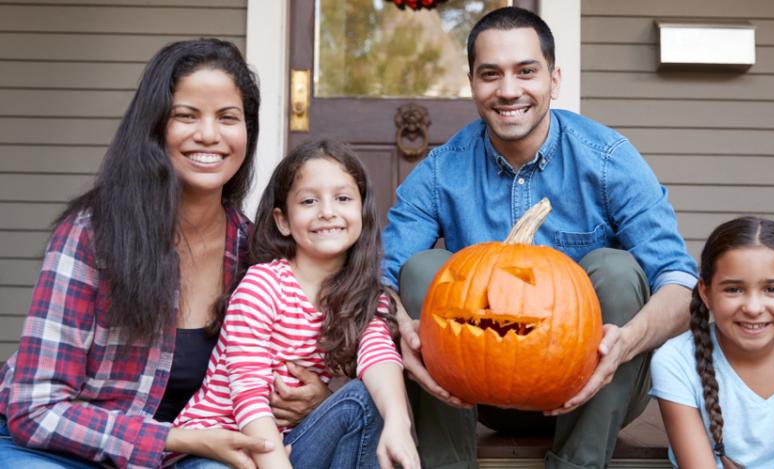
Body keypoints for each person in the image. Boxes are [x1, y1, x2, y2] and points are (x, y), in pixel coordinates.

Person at [381, 6, 699, 468]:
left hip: (595, 387)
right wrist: (399, 327)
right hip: (475, 389)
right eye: (491, 74)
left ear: (554, 78)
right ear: (472, 83)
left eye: (525, 71)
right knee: (421, 270)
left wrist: (624, 344)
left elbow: (680, 286)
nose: (509, 91)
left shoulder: (609, 159)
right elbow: (380, 285)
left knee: (616, 268)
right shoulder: (440, 170)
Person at [0, 39, 326, 469]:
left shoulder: (257, 251)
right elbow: (35, 407)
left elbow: (279, 363)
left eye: (227, 118)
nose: (209, 134)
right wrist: (180, 438)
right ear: (154, 128)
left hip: (188, 456)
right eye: (185, 116)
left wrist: (314, 397)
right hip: (54, 451)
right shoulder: (91, 235)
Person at [174, 140, 419, 469]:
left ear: (362, 211)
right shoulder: (263, 285)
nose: (327, 211)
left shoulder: (365, 294)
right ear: (283, 220)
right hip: (220, 446)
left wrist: (397, 425)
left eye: (343, 198)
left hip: (293, 445)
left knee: (364, 400)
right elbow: (247, 390)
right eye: (309, 201)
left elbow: (378, 356)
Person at [650, 217, 774, 468]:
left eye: (772, 289)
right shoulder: (675, 361)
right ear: (706, 293)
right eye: (734, 289)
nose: (753, 308)